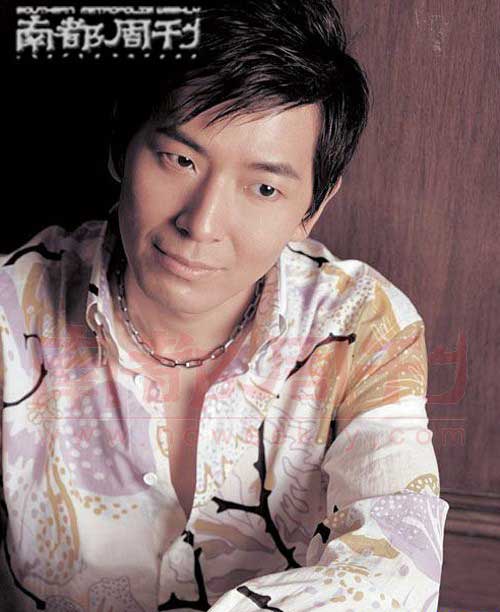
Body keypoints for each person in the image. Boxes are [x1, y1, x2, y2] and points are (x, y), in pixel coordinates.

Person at [0, 1, 449, 610]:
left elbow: (399, 567)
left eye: (263, 188)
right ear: (121, 145)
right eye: (180, 160)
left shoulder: (363, 323)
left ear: (312, 209)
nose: (202, 223)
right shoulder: (12, 307)